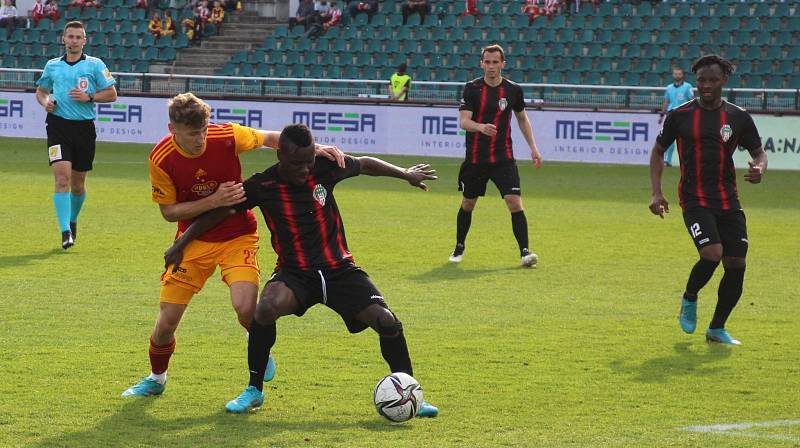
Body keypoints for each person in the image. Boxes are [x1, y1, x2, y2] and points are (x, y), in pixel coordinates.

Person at [163, 124, 440, 416]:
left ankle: (409, 390)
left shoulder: (325, 167)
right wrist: (182, 241)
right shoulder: (263, 186)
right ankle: (254, 390)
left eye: (309, 160)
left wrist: (405, 174)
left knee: (386, 320)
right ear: (280, 155)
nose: (306, 169)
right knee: (265, 308)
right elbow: (221, 212)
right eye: (298, 163)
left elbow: (364, 165)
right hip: (295, 273)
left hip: (339, 270)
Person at [121, 93, 345, 398]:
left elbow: (269, 138)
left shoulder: (226, 136)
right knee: (166, 324)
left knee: (245, 308)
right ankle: (156, 378)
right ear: (172, 128)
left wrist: (314, 149)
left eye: (203, 130)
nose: (200, 139)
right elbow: (169, 212)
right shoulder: (160, 159)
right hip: (193, 242)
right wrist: (214, 200)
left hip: (238, 236)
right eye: (192, 133)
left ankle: (260, 351)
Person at [649, 55, 768, 346]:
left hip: (728, 199)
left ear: (724, 80)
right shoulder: (680, 115)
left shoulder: (738, 117)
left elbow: (759, 153)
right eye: (702, 80)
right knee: (712, 253)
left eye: (713, 80)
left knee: (736, 263)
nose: (706, 86)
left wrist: (759, 169)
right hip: (694, 198)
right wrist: (656, 192)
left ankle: (717, 328)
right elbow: (657, 151)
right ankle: (690, 297)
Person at [450, 44, 543, 267]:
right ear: (481, 63)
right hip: (475, 159)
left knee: (514, 202)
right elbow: (464, 121)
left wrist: (533, 147)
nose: (491, 66)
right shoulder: (471, 88)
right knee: (468, 204)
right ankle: (459, 246)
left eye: (495, 62)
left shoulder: (513, 90)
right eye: (487, 62)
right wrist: (480, 127)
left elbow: (522, 118)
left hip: (503, 158)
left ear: (503, 64)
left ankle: (524, 252)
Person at [35, 21, 117, 250]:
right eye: (69, 36)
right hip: (57, 126)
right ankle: (65, 232)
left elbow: (112, 94)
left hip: (83, 129)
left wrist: (89, 97)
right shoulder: (52, 66)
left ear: (84, 40)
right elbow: (41, 91)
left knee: (78, 185)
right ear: (63, 39)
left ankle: (72, 220)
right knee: (62, 179)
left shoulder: (95, 65)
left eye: (77, 37)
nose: (73, 40)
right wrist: (46, 102)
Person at [658, 66, 694, 167]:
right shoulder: (669, 87)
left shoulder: (688, 87)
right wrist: (662, 113)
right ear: (673, 75)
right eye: (675, 74)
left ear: (682, 75)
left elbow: (692, 99)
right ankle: (668, 160)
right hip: (671, 114)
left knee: (686, 139)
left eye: (679, 74)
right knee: (669, 138)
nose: (677, 75)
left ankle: (688, 160)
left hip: (684, 115)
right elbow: (666, 101)